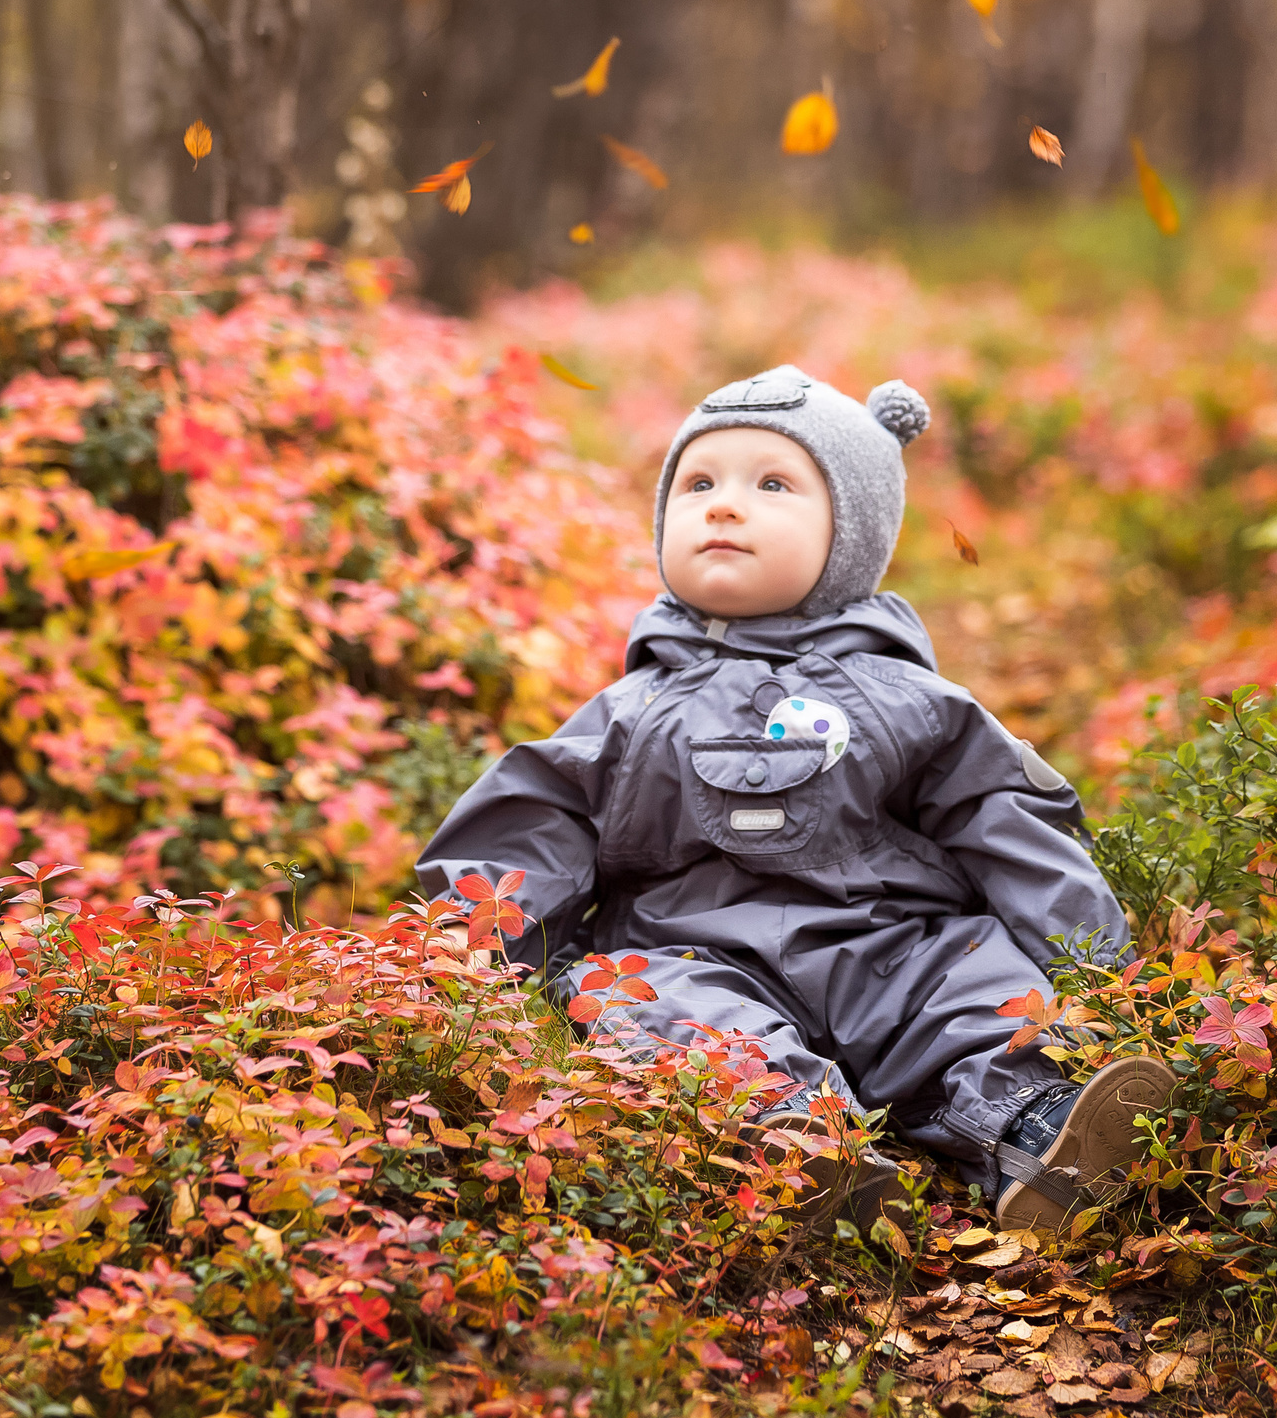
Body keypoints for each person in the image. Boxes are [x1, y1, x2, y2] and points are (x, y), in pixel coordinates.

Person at [416, 365, 1173, 1231]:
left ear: (848, 536)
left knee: (976, 998)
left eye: (773, 484)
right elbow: (528, 830)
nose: (724, 505)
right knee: (652, 1004)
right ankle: (797, 1143)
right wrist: (464, 977)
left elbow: (1008, 822)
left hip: (895, 953)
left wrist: (1096, 969)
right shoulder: (628, 713)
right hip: (695, 954)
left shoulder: (910, 701)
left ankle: (1038, 1133)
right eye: (698, 484)